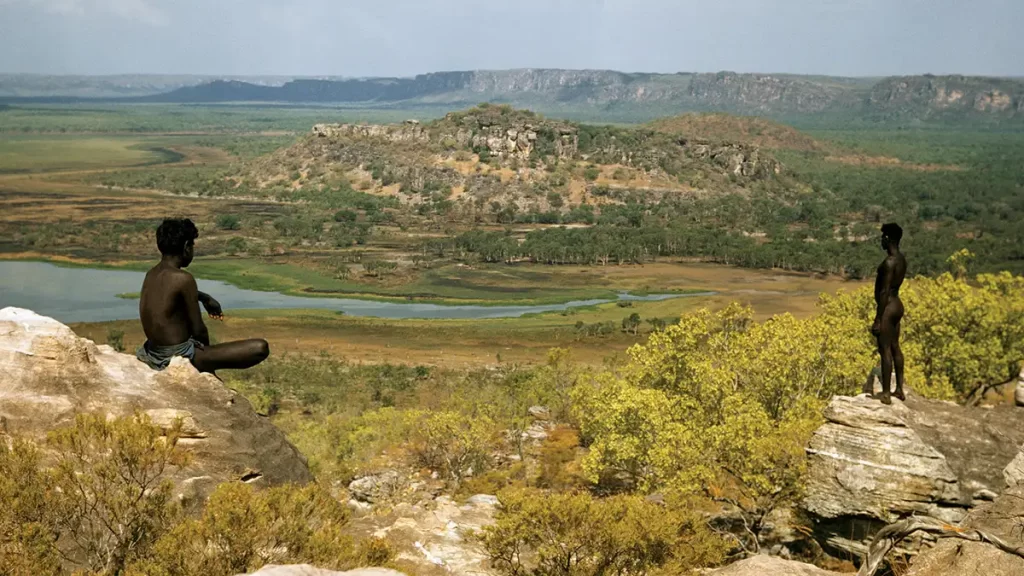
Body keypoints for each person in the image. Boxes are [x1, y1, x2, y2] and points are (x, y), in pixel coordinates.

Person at [136, 218, 269, 374]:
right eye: (192, 245)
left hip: (152, 352)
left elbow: (167, 294)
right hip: (178, 356)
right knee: (260, 347)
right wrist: (207, 360)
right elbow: (199, 330)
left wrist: (203, 297)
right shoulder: (183, 278)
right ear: (186, 247)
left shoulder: (152, 274)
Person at [871, 222, 907, 405]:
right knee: (895, 347)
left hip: (888, 307)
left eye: (882, 237)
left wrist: (878, 318)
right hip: (898, 305)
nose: (881, 241)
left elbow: (884, 292)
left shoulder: (888, 263)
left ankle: (885, 393)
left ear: (887, 238)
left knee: (884, 350)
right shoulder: (901, 259)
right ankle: (899, 389)